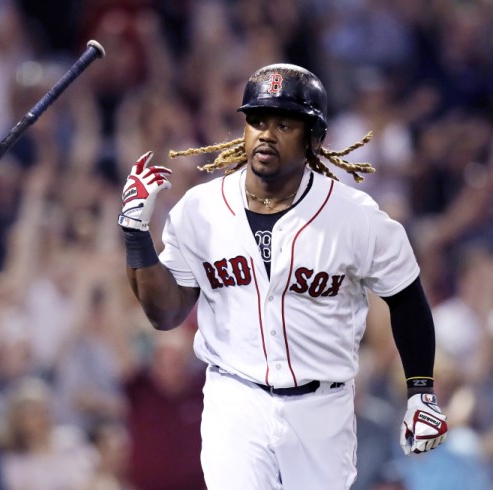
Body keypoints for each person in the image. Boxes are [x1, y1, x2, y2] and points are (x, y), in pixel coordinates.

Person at [117, 63, 449, 489]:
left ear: (313, 137)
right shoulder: (200, 210)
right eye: (256, 120)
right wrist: (136, 236)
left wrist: (421, 389)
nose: (266, 134)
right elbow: (164, 314)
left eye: (284, 123)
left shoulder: (354, 217)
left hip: (321, 408)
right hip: (234, 398)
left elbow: (406, 297)